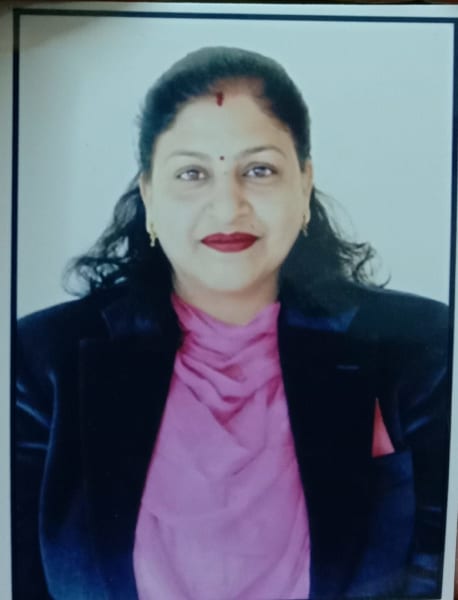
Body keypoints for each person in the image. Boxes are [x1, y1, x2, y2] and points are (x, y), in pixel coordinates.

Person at [14, 46, 451, 600]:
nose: (227, 207)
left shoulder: (416, 347)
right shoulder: (42, 360)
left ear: (304, 185)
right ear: (149, 195)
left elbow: (436, 569)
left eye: (259, 170)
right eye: (192, 173)